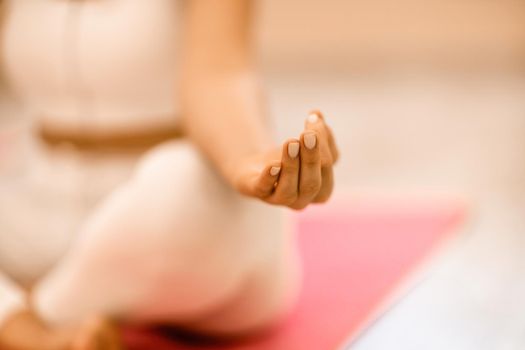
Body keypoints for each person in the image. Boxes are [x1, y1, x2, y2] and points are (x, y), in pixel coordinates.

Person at [0, 1, 339, 349]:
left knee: (176, 186)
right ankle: (41, 325)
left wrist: (251, 163)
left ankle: (31, 323)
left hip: (187, 217)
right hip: (39, 203)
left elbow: (219, 77)